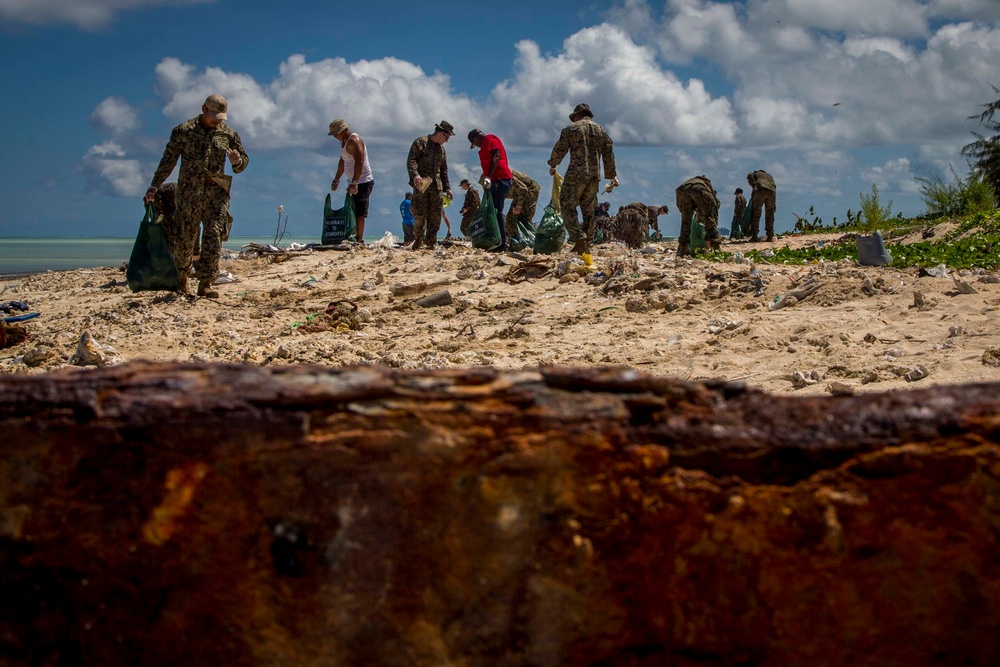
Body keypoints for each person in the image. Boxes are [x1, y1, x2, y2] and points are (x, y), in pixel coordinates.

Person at [145, 93, 249, 297]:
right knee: (185, 237)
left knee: (214, 235)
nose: (218, 120)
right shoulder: (183, 131)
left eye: (221, 116)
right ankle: (182, 279)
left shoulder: (228, 134)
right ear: (204, 109)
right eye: (214, 115)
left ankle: (206, 283)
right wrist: (154, 186)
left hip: (216, 194)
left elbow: (242, 163)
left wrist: (237, 161)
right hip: (188, 194)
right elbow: (168, 160)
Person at [548, 103, 617, 254]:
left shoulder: (571, 129)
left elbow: (560, 149)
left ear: (577, 115)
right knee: (588, 210)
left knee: (566, 204)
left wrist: (553, 164)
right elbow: (608, 155)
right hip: (594, 177)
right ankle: (587, 242)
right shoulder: (601, 131)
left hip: (575, 175)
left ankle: (580, 239)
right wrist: (611, 176)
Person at [406, 120, 454, 250]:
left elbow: (444, 170)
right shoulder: (420, 143)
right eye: (446, 137)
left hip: (436, 186)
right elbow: (412, 161)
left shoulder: (442, 150)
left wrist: (448, 188)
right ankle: (418, 240)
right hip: (422, 184)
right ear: (439, 133)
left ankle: (431, 242)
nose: (447, 141)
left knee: (436, 215)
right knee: (420, 213)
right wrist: (415, 174)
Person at [329, 118, 375, 244]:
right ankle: (353, 236)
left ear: (342, 131)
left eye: (335, 134)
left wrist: (355, 182)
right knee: (352, 210)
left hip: (363, 181)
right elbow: (343, 161)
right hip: (353, 181)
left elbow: (359, 161)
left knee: (360, 212)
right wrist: (337, 178)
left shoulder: (354, 140)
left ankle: (359, 240)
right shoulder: (343, 142)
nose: (334, 137)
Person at [468, 128, 513, 252]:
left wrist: (488, 176)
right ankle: (498, 240)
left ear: (476, 138)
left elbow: (496, 157)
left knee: (497, 211)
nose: (477, 146)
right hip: (495, 180)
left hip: (500, 179)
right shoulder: (486, 143)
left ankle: (502, 243)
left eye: (475, 144)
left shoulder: (490, 138)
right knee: (494, 210)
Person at [675, 175, 722, 256]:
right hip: (698, 190)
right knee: (709, 221)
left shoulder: (697, 182)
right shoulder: (710, 195)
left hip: (681, 190)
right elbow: (712, 219)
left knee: (685, 223)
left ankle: (682, 252)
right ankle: (717, 252)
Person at [746, 170, 777, 242]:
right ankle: (770, 235)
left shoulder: (755, 173)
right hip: (772, 191)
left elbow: (749, 175)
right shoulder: (769, 175)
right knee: (770, 213)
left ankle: (754, 235)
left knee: (756, 213)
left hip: (760, 189)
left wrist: (754, 186)